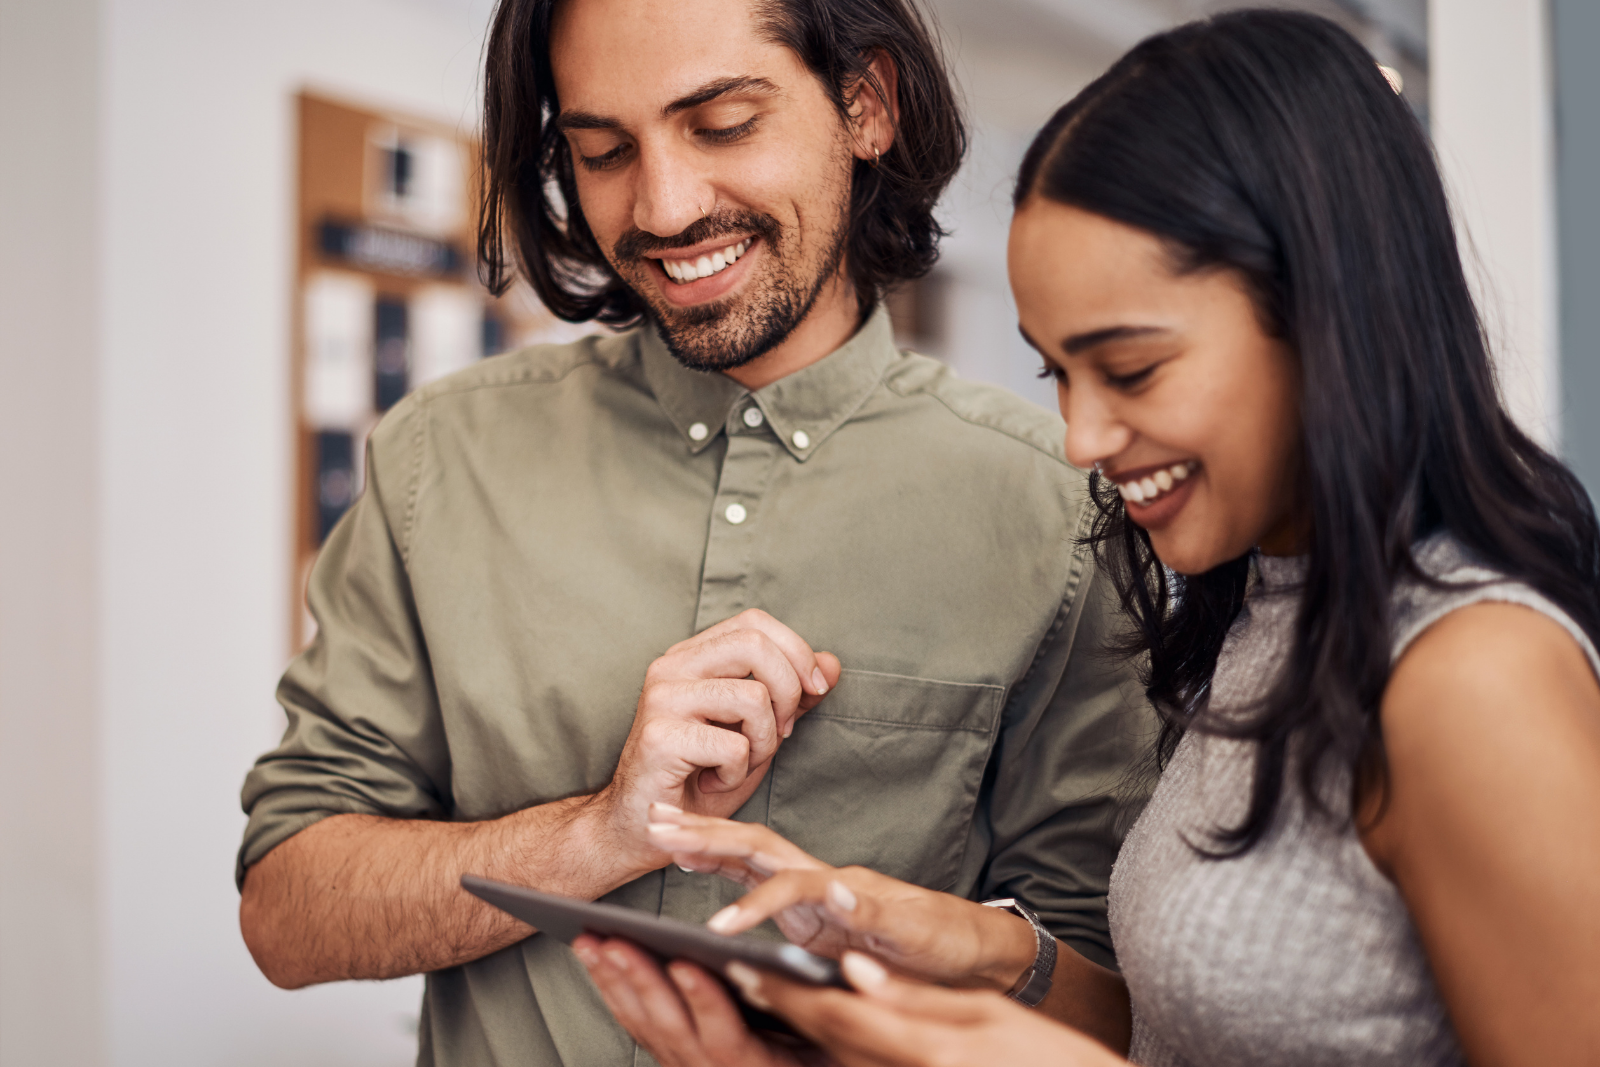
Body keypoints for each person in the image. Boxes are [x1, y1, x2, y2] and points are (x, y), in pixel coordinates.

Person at [573, 10, 1600, 1067]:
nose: (1081, 438)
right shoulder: (1264, 616)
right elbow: (1199, 1036)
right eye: (1056, 371)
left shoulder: (1473, 675)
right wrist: (969, 948)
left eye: (1133, 369)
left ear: (1326, 312)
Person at [234, 0, 1153, 1062]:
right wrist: (597, 834)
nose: (663, 207)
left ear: (865, 104)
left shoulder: (1059, 506)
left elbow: (1116, 1003)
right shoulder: (442, 457)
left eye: (721, 125)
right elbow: (286, 910)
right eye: (602, 149)